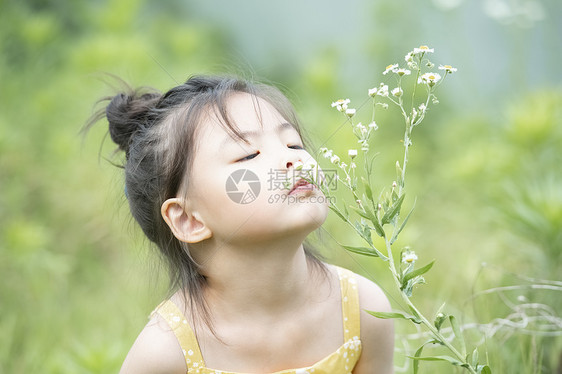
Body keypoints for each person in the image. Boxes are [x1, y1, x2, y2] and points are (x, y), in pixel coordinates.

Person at [86, 75, 394, 373]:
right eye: (248, 155)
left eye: (293, 144)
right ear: (188, 219)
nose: (292, 160)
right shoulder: (167, 353)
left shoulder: (362, 309)